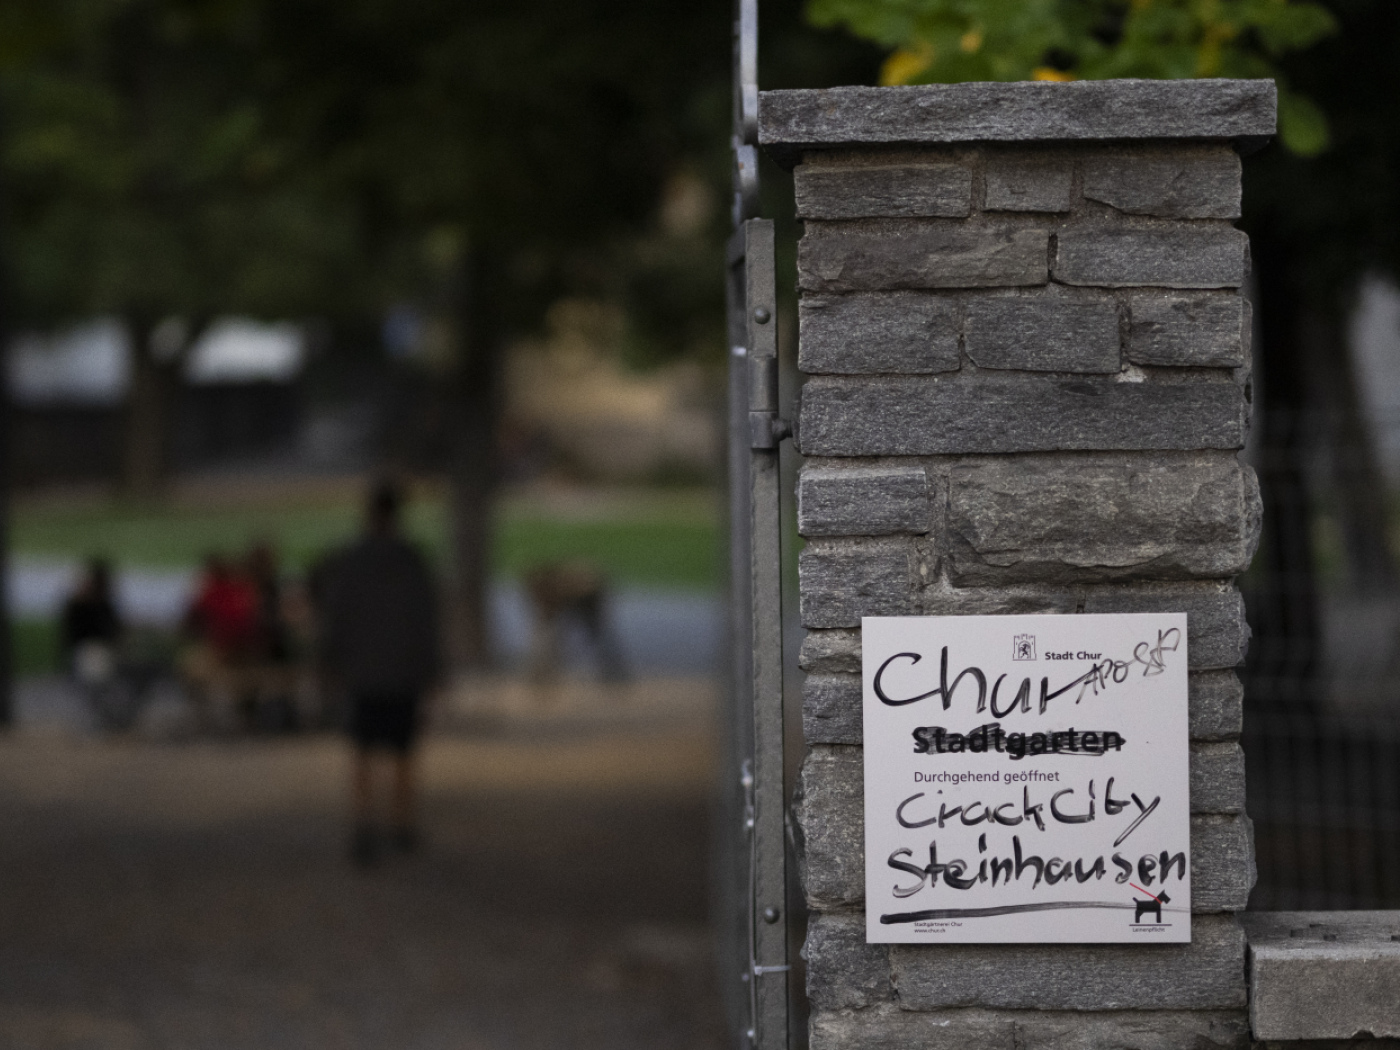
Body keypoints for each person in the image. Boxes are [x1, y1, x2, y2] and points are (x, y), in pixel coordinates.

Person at [319, 481, 440, 866]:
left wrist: (331, 661)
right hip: (401, 670)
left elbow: (337, 615)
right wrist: (431, 669)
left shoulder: (352, 560)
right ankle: (401, 821)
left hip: (364, 671)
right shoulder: (411, 560)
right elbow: (426, 619)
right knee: (403, 751)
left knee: (363, 751)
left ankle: (364, 821)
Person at [61, 558, 124, 728]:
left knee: (103, 684)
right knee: (97, 678)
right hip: (90, 651)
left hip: (99, 651)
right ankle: (102, 720)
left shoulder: (101, 603)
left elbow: (114, 630)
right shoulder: (83, 604)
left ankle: (108, 719)